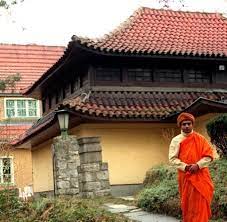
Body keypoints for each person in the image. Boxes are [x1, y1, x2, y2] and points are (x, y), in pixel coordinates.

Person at [169, 112, 214, 222]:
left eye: (189, 123)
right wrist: (185, 167)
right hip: (186, 177)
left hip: (201, 176)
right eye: (184, 124)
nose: (187, 126)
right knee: (188, 204)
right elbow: (172, 159)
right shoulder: (176, 140)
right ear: (180, 125)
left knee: (202, 202)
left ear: (192, 124)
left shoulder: (200, 139)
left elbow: (209, 156)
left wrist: (198, 165)